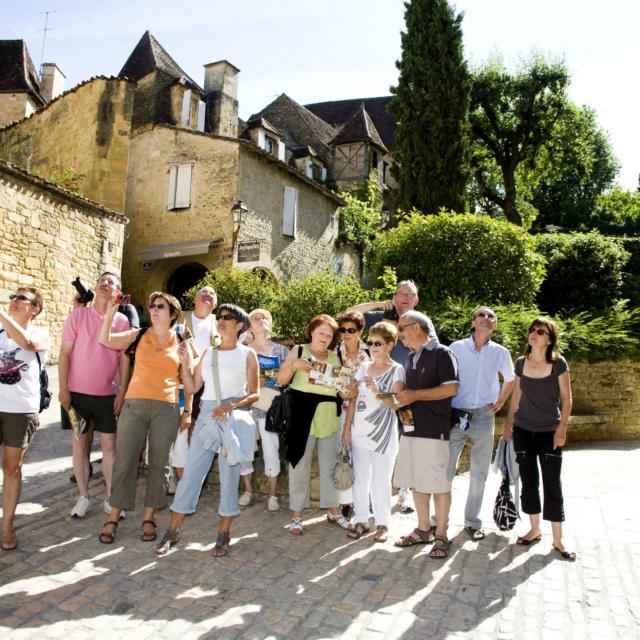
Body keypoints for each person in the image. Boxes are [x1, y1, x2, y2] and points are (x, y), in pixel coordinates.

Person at [155, 304, 259, 557]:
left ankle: (223, 534)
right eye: (219, 317)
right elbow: (191, 388)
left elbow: (254, 393)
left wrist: (232, 403)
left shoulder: (247, 354)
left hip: (231, 418)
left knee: (229, 477)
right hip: (206, 418)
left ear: (240, 325)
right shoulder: (209, 354)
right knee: (190, 474)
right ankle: (173, 530)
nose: (221, 320)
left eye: (228, 318)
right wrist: (185, 362)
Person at [97, 292, 192, 544]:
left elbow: (189, 379)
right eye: (152, 305)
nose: (154, 309)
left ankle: (149, 517)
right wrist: (110, 313)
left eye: (160, 306)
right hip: (135, 404)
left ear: (172, 314)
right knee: (124, 461)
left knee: (160, 464)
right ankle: (113, 516)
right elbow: (104, 338)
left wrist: (188, 410)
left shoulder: (182, 340)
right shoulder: (138, 335)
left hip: (167, 406)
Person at [348, 280, 437, 513]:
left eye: (410, 294)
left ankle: (404, 493)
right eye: (400, 294)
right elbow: (349, 314)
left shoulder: (421, 323)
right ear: (394, 298)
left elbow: (432, 351)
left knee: (407, 439)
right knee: (377, 446)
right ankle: (367, 500)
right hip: (378, 393)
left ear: (417, 300)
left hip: (408, 393)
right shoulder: (381, 317)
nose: (405, 297)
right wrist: (379, 304)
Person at [435, 307, 516, 540]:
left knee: (479, 471)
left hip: (484, 416)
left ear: (495, 325)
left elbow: (511, 378)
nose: (486, 319)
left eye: (491, 317)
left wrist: (501, 400)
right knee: (446, 469)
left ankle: (472, 521)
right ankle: (439, 520)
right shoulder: (456, 348)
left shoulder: (501, 352)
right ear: (473, 322)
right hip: (456, 414)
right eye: (481, 315)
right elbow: (445, 377)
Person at [59, 272, 130, 518]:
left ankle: (111, 498)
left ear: (117, 291)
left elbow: (123, 359)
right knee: (79, 445)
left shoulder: (121, 321)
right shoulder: (78, 316)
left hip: (106, 396)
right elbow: (64, 354)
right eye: (102, 280)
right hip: (76, 397)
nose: (105, 283)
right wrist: (63, 390)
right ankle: (83, 496)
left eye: (111, 282)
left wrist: (122, 391)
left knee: (110, 445)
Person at [503, 317, 575, 561]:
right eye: (532, 330)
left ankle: (558, 539)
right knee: (528, 480)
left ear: (549, 339)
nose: (534, 334)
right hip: (523, 430)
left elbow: (567, 399)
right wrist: (507, 424)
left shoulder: (558, 364)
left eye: (540, 331)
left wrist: (562, 429)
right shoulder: (521, 363)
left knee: (552, 483)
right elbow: (516, 397)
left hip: (549, 432)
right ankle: (534, 529)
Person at [277, 314, 353, 535]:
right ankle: (296, 515)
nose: (325, 338)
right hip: (301, 414)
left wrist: (349, 391)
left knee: (330, 465)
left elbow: (342, 390)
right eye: (322, 333)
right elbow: (281, 380)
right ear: (312, 331)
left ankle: (333, 511)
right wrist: (294, 365)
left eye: (329, 335)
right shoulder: (299, 350)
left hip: (328, 415)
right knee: (298, 464)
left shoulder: (334, 357)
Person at [392, 311, 459, 559]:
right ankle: (423, 529)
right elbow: (410, 392)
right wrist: (399, 393)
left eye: (401, 328)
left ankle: (441, 533)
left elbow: (452, 388)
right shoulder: (411, 357)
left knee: (439, 483)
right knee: (417, 481)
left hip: (433, 430)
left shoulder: (443, 353)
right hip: (410, 429)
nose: (398, 335)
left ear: (417, 328)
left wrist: (415, 395)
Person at [342, 322, 405, 542]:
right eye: (370, 342)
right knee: (360, 479)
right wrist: (347, 427)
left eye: (378, 343)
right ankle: (361, 520)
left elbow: (396, 404)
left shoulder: (397, 370)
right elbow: (352, 399)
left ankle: (382, 523)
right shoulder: (363, 366)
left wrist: (378, 391)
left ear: (390, 345)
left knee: (381, 480)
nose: (373, 347)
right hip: (359, 431)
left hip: (384, 434)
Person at [0, 287, 50, 550]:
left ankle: (6, 526)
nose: (14, 301)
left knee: (11, 467)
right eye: (13, 297)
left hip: (20, 410)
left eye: (21, 298)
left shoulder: (40, 333)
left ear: (34, 308)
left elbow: (27, 344)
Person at [239, 308, 288, 511]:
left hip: (269, 405)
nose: (261, 320)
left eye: (264, 318)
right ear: (250, 326)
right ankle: (248, 490)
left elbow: (287, 379)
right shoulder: (242, 349)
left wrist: (274, 379)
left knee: (271, 449)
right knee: (244, 448)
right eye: (255, 318)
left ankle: (272, 495)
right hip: (247, 405)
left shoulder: (281, 351)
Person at [171, 285, 219, 489]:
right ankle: (177, 477)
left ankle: (192, 478)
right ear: (195, 298)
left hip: (207, 384)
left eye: (212, 294)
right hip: (180, 380)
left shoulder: (219, 322)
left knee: (197, 431)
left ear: (215, 303)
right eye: (203, 292)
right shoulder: (180, 317)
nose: (208, 295)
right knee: (179, 429)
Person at [335, 311, 370, 518]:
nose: (346, 334)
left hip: (366, 411)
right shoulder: (336, 354)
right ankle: (346, 502)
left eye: (351, 330)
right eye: (343, 330)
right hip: (344, 410)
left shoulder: (369, 352)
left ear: (360, 331)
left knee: (363, 457)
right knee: (346, 455)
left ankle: (364, 499)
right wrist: (345, 391)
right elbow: (338, 386)